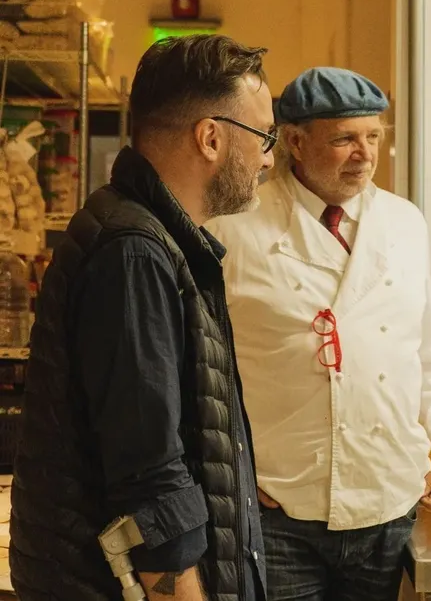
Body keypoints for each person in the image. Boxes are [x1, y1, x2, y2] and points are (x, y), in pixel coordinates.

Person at [10, 34, 277, 601]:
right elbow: (148, 464)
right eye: (265, 137)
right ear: (210, 138)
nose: (269, 158)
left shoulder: (160, 239)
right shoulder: (133, 250)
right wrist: (181, 586)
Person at [205, 66, 431, 601]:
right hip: (279, 508)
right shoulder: (233, 226)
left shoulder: (405, 223)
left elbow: (430, 348)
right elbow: (203, 365)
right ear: (295, 141)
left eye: (373, 136)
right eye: (345, 139)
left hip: (386, 502)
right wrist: (230, 469)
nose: (365, 154)